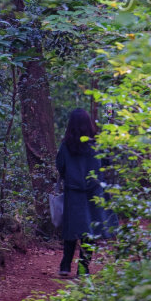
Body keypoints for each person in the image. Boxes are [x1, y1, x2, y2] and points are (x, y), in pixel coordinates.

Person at [55, 109, 103, 278]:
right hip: (93, 192)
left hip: (73, 192)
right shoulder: (96, 144)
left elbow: (60, 166)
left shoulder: (66, 145)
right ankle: (83, 268)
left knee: (71, 227)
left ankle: (65, 265)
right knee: (90, 229)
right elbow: (106, 164)